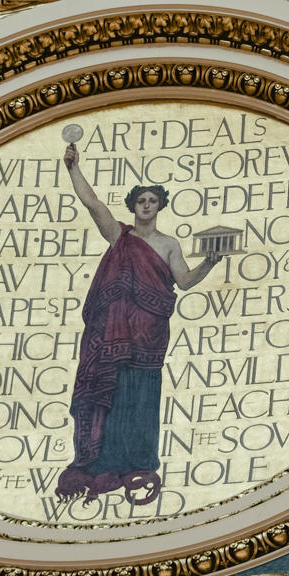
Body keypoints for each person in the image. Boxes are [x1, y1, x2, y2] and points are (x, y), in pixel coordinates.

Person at [57, 126, 221, 505]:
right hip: (112, 336)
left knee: (141, 396)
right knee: (112, 393)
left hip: (148, 335)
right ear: (133, 206)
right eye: (141, 200)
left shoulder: (168, 244)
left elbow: (184, 280)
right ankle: (106, 461)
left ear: (160, 206)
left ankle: (139, 461)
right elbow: (94, 205)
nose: (146, 205)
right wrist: (73, 169)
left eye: (152, 200)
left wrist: (209, 263)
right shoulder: (121, 236)